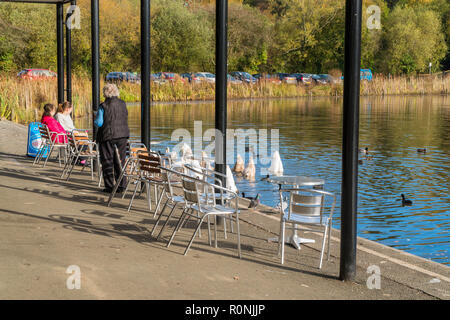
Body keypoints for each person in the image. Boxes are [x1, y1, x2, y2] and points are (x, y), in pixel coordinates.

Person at [95, 83, 130, 193]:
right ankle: (122, 184)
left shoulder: (103, 106)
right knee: (120, 160)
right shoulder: (123, 103)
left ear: (105, 93)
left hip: (107, 135)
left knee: (107, 160)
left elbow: (99, 123)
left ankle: (110, 186)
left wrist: (95, 118)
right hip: (123, 135)